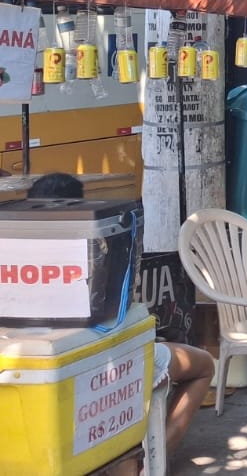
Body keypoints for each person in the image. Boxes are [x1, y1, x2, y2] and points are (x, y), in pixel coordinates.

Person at [30, 174, 215, 468]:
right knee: (204, 365)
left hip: (37, 370)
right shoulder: (98, 254)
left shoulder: (15, 258)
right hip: (103, 360)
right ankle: (152, 460)